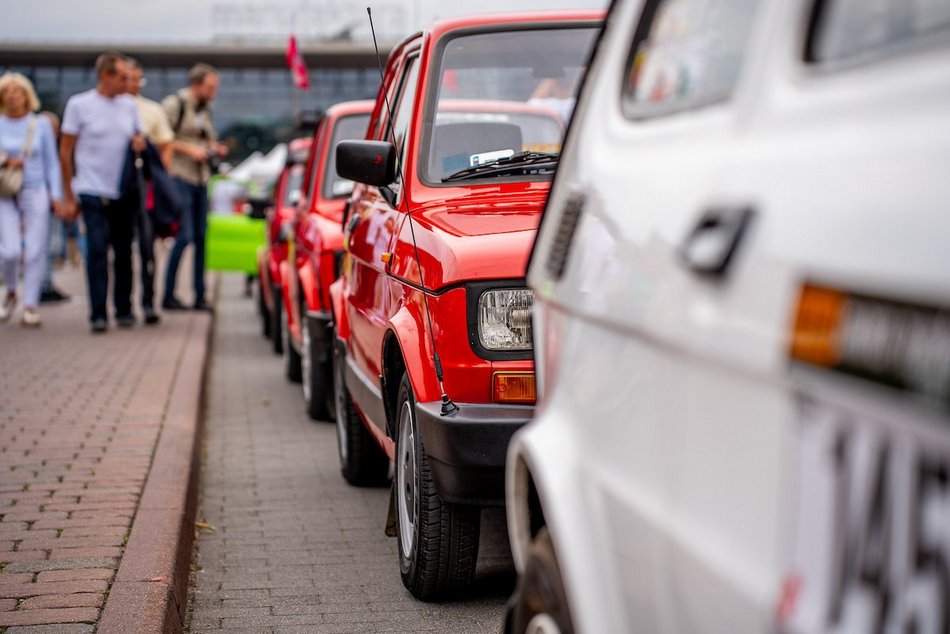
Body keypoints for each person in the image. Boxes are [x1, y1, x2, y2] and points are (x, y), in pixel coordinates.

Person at [60, 51, 145, 333]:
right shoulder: (79, 105)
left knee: (123, 252)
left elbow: (138, 137)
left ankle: (123, 308)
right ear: (105, 75)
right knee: (96, 251)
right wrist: (68, 195)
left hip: (123, 190)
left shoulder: (129, 105)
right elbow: (66, 150)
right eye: (122, 77)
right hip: (91, 188)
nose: (128, 82)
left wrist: (139, 142)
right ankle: (98, 313)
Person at [161, 63, 227, 312]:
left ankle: (200, 295)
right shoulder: (174, 104)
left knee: (201, 238)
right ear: (196, 84)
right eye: (211, 87)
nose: (214, 92)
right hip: (180, 177)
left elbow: (205, 137)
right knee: (184, 237)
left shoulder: (205, 110)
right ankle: (168, 294)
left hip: (201, 180)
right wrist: (191, 151)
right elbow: (161, 139)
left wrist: (214, 148)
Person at [0, 73, 64, 327]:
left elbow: (52, 162)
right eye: (7, 91)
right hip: (5, 191)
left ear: (27, 96)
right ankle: (12, 290)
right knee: (11, 251)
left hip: (35, 189)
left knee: (36, 250)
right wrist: (6, 161)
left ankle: (30, 305)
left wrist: (56, 195)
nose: (12, 95)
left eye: (18, 91)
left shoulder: (41, 124)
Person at [126, 57, 174, 325]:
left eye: (136, 78)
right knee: (118, 249)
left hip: (144, 188)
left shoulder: (151, 110)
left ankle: (147, 301)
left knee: (147, 247)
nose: (133, 83)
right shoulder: (110, 109)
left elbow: (166, 144)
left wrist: (159, 178)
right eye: (128, 77)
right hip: (115, 189)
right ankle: (122, 305)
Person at [38, 111, 70, 304]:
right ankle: (42, 287)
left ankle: (46, 284)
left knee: (53, 245)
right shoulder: (35, 147)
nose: (55, 133)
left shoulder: (58, 147)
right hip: (42, 201)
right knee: (43, 246)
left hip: (53, 202)